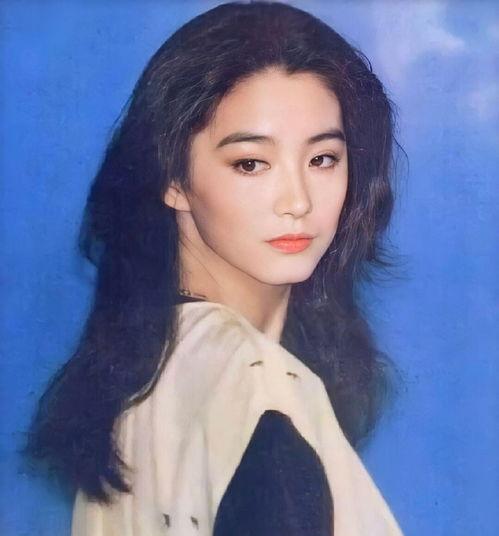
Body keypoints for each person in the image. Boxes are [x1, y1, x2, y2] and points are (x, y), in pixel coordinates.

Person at [25, 1, 405, 534]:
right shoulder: (262, 396)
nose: (297, 201)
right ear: (172, 177)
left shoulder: (149, 368)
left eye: (323, 159)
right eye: (251, 163)